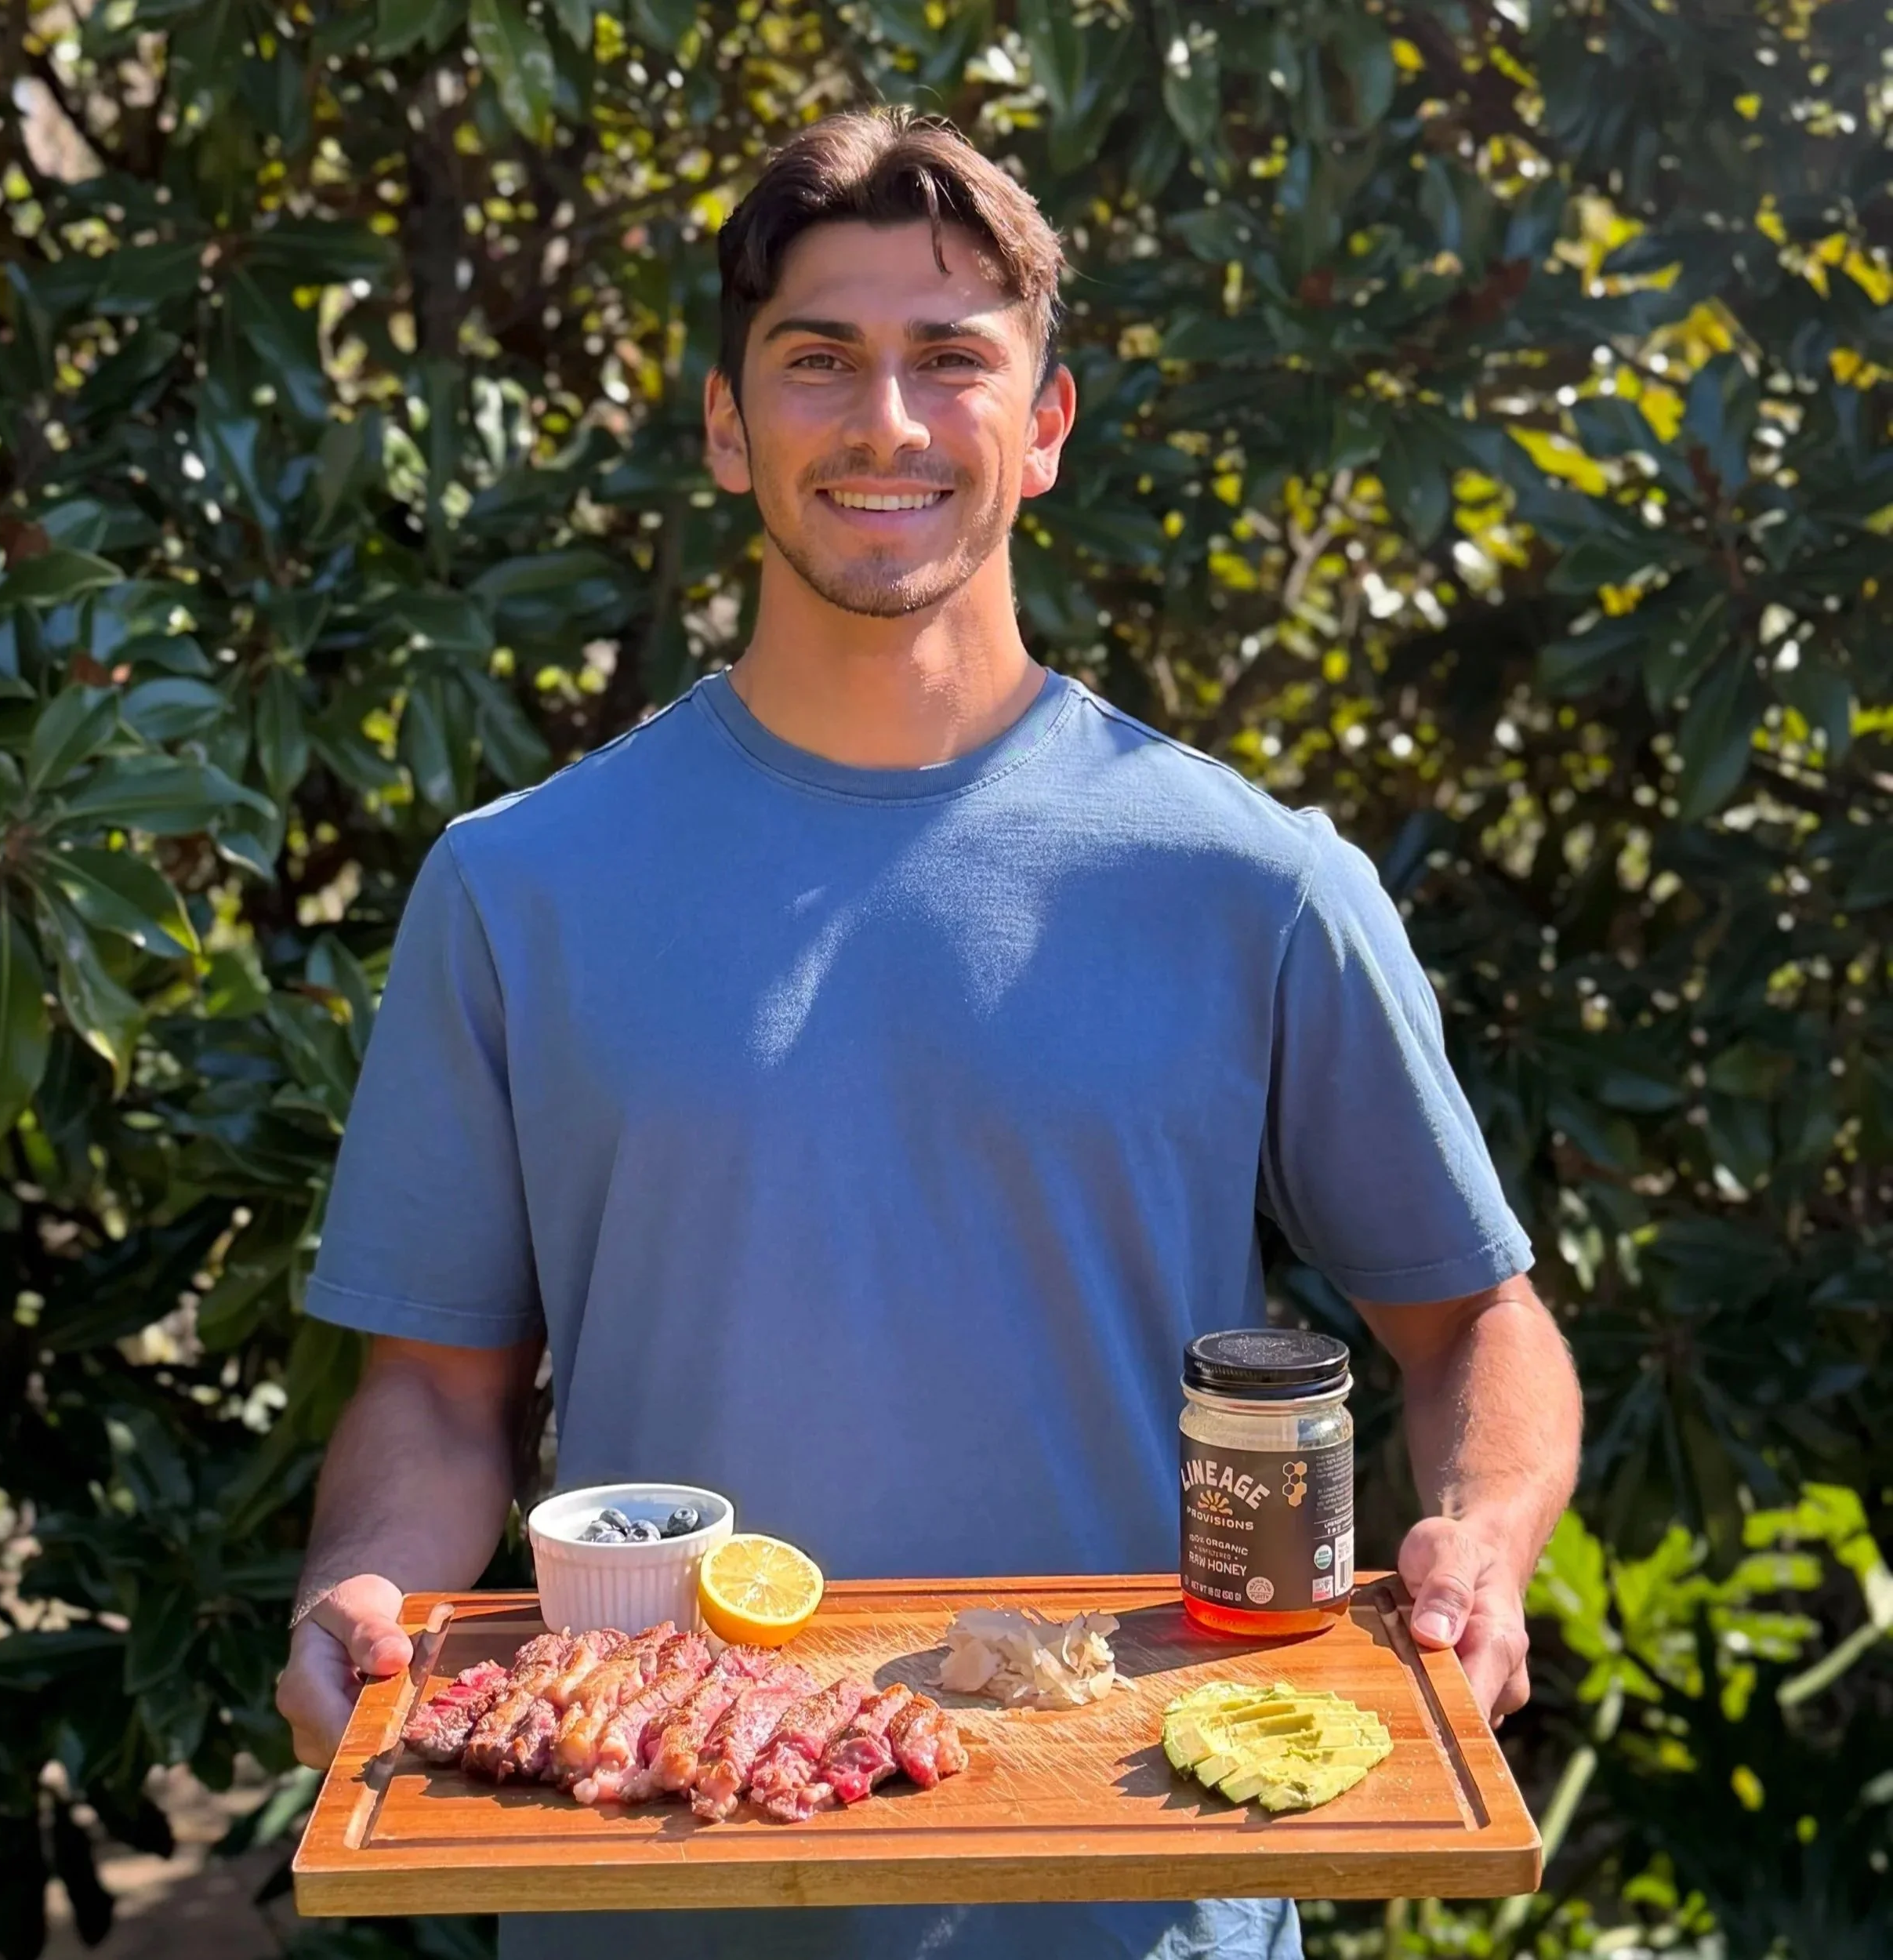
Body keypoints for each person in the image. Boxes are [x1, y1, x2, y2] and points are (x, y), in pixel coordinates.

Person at [277, 106, 1582, 1960]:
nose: (883, 420)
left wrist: (1477, 1533)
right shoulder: (519, 886)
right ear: (727, 424)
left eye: (949, 360)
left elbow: (1475, 1326)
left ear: (1041, 428)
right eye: (818, 360)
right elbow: (430, 1391)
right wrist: (361, 1591)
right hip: (651, 1908)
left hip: (1145, 1898)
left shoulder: (1249, 878)